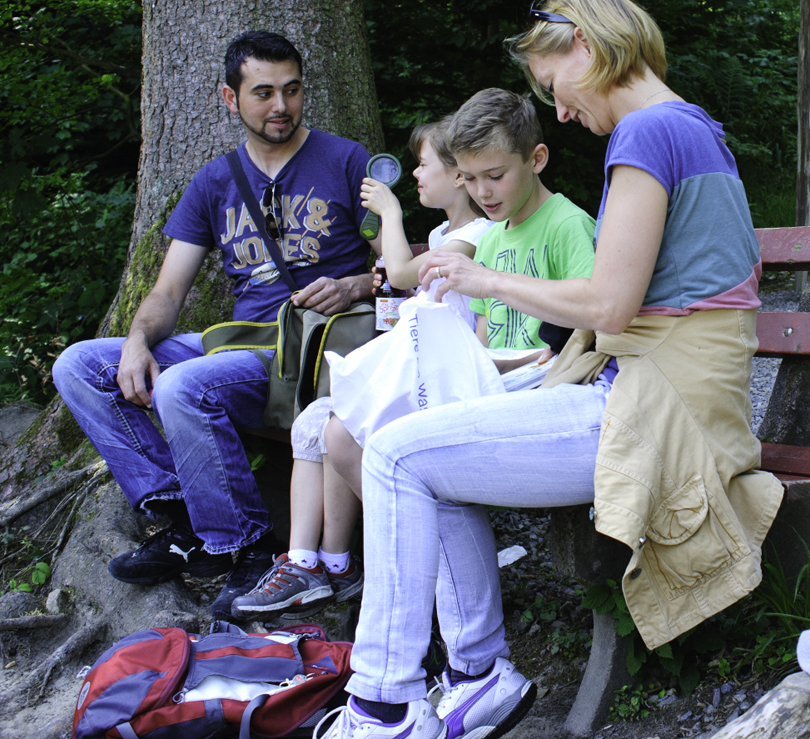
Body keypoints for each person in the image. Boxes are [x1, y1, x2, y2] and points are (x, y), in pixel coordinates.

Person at [318, 0, 783, 739]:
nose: (561, 110)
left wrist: (481, 277)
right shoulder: (691, 127)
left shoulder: (649, 133)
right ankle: (475, 676)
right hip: (659, 393)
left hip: (660, 410)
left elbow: (609, 305)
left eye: (554, 86)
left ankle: (388, 703)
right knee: (422, 454)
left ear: (589, 48)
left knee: (398, 454)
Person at [52, 31, 379, 618]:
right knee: (80, 365)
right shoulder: (215, 181)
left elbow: (399, 265)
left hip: (311, 353)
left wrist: (356, 284)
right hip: (241, 347)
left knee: (186, 384)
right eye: (263, 93)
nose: (280, 106)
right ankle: (181, 519)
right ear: (231, 99)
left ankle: (246, 546)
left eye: (292, 90)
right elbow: (168, 290)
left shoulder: (344, 160)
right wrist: (134, 342)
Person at [230, 117, 494, 617]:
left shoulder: (477, 233)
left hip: (445, 379)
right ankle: (317, 562)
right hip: (418, 368)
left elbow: (401, 270)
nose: (415, 174)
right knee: (315, 421)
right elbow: (404, 287)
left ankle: (408, 545)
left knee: (341, 426)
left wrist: (390, 216)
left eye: (423, 164)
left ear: (459, 176)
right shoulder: (441, 232)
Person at [323, 88, 597, 499]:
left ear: (536, 159)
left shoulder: (566, 224)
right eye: (470, 179)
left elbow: (591, 314)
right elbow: (482, 347)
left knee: (394, 451)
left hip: (545, 392)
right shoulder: (488, 242)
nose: (482, 192)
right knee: (347, 431)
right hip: (495, 387)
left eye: (495, 176)